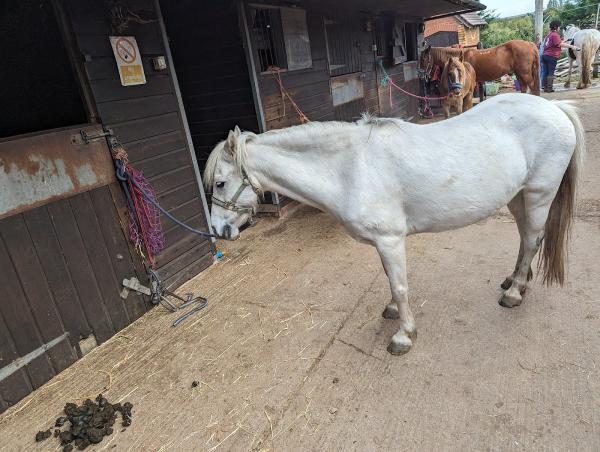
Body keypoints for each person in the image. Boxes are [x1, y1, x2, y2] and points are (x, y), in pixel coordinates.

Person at [542, 20, 580, 93]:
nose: (559, 28)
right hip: (551, 56)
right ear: (556, 27)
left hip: (545, 55)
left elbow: (555, 43)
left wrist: (564, 41)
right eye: (559, 27)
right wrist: (572, 46)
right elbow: (560, 44)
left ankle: (546, 88)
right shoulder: (555, 35)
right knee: (551, 72)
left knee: (546, 72)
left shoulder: (549, 35)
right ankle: (549, 88)